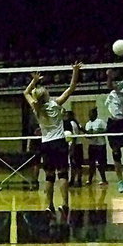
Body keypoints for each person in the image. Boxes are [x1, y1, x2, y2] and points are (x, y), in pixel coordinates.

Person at [22, 62, 82, 213]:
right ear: (46, 95)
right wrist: (75, 71)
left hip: (46, 144)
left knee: (49, 176)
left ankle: (49, 205)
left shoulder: (37, 109)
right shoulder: (55, 104)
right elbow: (71, 88)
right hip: (59, 143)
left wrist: (34, 81)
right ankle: (65, 204)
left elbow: (25, 93)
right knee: (62, 174)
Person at [104, 69, 123, 193]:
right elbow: (110, 86)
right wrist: (109, 76)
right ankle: (120, 181)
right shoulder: (112, 93)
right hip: (113, 123)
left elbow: (114, 86)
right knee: (116, 153)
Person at [83, 107, 108, 185]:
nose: (89, 115)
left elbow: (106, 130)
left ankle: (104, 179)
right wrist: (89, 134)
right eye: (89, 114)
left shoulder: (100, 122)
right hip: (92, 145)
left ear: (95, 114)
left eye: (91, 114)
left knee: (101, 163)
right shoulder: (88, 124)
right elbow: (87, 135)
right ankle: (90, 179)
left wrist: (99, 131)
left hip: (100, 145)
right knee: (91, 163)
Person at [64, 110, 83, 187]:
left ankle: (78, 180)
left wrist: (72, 148)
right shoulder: (69, 123)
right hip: (72, 145)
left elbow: (74, 136)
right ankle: (72, 180)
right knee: (72, 164)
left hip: (76, 146)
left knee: (77, 164)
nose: (66, 116)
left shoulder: (72, 123)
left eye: (67, 115)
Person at [25, 125, 43, 191]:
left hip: (40, 147)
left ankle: (35, 180)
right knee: (34, 165)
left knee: (36, 165)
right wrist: (28, 149)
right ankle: (33, 180)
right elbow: (29, 141)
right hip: (33, 148)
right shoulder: (31, 134)